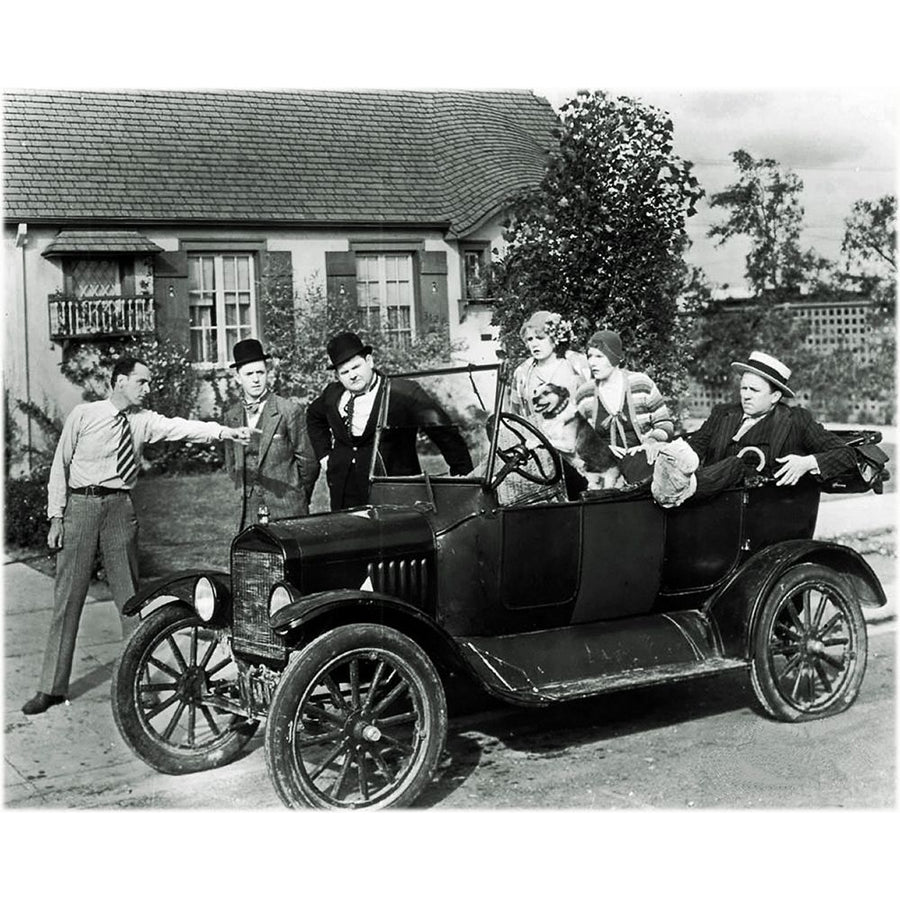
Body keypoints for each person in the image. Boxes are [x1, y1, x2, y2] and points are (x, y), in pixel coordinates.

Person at [22, 356, 251, 716]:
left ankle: (139, 682)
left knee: (130, 601)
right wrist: (56, 516)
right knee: (67, 600)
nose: (148, 388)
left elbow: (183, 427)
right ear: (119, 382)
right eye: (142, 382)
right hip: (80, 509)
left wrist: (224, 431)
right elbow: (59, 466)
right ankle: (51, 688)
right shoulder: (85, 415)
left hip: (119, 511)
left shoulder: (144, 422)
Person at [306, 332, 473, 510]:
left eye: (356, 367)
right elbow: (314, 416)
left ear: (369, 361)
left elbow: (444, 432)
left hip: (392, 491)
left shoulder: (404, 393)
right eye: (345, 372)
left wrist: (464, 479)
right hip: (344, 491)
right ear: (338, 376)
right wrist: (325, 456)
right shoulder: (332, 394)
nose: (352, 376)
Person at [685, 350, 857, 499]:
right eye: (743, 388)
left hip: (758, 512)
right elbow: (693, 449)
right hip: (706, 504)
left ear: (774, 397)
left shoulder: (796, 421)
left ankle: (685, 489)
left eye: (754, 390)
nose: (746, 396)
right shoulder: (723, 413)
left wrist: (806, 463)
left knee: (736, 464)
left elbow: (846, 454)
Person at [223, 339, 319, 531]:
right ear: (238, 378)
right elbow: (232, 464)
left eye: (260, 372)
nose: (256, 379)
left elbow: (308, 464)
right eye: (249, 374)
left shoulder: (288, 411)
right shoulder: (232, 416)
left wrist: (297, 496)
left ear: (268, 373)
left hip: (286, 506)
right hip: (249, 511)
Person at [574, 329, 674, 484]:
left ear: (615, 358)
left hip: (644, 462)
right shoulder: (584, 394)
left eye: (599, 356)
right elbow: (578, 440)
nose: (592, 362)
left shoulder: (641, 384)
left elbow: (665, 424)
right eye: (590, 356)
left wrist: (651, 442)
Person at [509, 310, 592, 497]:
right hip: (543, 452)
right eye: (530, 340)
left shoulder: (578, 364)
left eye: (540, 337)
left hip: (580, 449)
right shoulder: (522, 374)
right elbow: (515, 416)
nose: (534, 344)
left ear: (555, 337)